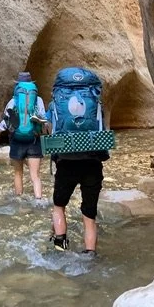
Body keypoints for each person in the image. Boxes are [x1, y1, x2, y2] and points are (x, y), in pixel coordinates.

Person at [46, 67, 108, 257]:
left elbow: (49, 129)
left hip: (66, 163)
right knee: (89, 215)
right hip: (92, 163)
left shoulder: (55, 104)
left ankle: (60, 247)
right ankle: (90, 254)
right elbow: (102, 129)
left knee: (59, 206)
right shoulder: (95, 101)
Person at [0, 71, 48, 199]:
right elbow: (44, 121)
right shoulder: (38, 100)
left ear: (18, 85)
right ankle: (38, 200)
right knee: (35, 176)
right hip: (34, 139)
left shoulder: (13, 101)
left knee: (18, 173)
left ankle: (18, 200)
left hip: (17, 140)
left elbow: (6, 123)